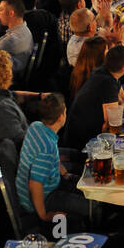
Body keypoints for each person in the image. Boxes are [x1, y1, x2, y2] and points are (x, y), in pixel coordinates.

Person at [16, 92, 88, 227]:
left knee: (84, 190)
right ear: (61, 117)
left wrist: (65, 174)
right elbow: (35, 183)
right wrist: (43, 215)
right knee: (89, 207)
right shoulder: (46, 149)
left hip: (46, 185)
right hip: (42, 197)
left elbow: (53, 158)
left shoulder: (36, 126)